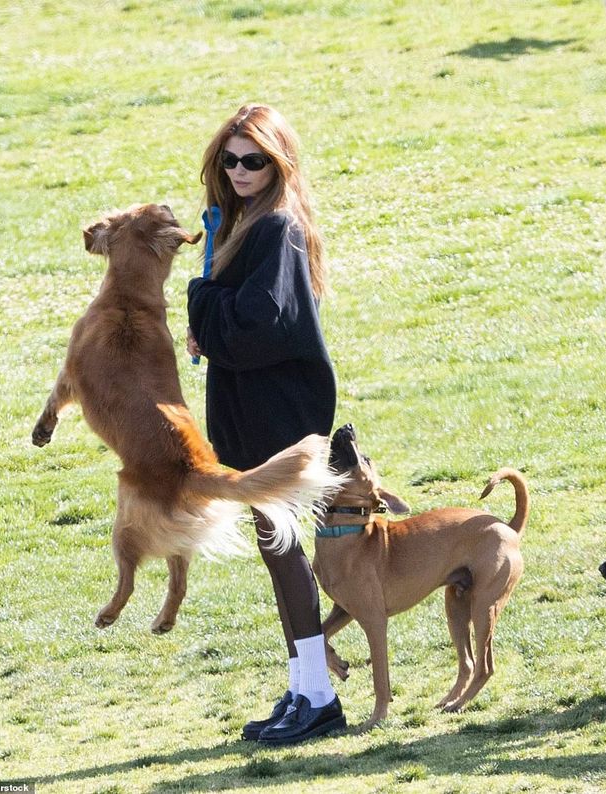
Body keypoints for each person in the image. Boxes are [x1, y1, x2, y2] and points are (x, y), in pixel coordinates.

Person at [186, 104, 345, 745]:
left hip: (278, 409)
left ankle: (318, 694)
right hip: (252, 406)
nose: (240, 170)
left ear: (278, 162)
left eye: (254, 159)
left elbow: (260, 322)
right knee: (277, 547)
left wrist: (202, 305)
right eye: (230, 159)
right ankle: (308, 687)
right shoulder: (242, 224)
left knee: (283, 547)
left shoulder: (276, 227)